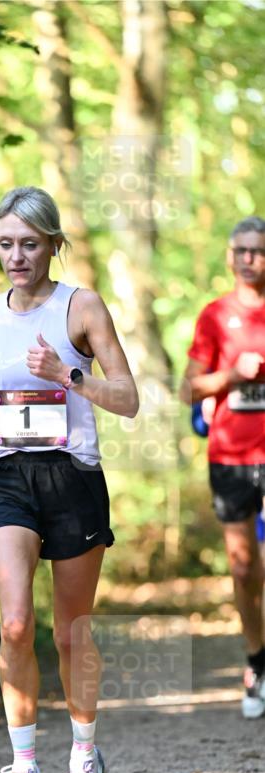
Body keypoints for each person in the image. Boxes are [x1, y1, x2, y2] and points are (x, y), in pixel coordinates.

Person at [0, 187, 138, 773]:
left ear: (53, 245)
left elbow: (127, 397)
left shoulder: (81, 306)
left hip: (71, 477)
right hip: (5, 475)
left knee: (70, 631)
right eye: (6, 243)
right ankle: (26, 768)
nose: (17, 256)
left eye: (30, 244)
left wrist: (68, 375)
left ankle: (83, 760)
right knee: (14, 624)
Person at [181, 216, 265, 720]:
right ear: (230, 256)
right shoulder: (215, 315)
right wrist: (232, 376)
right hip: (230, 455)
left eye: (258, 250)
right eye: (242, 250)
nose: (250, 258)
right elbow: (189, 388)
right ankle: (256, 662)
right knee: (242, 566)